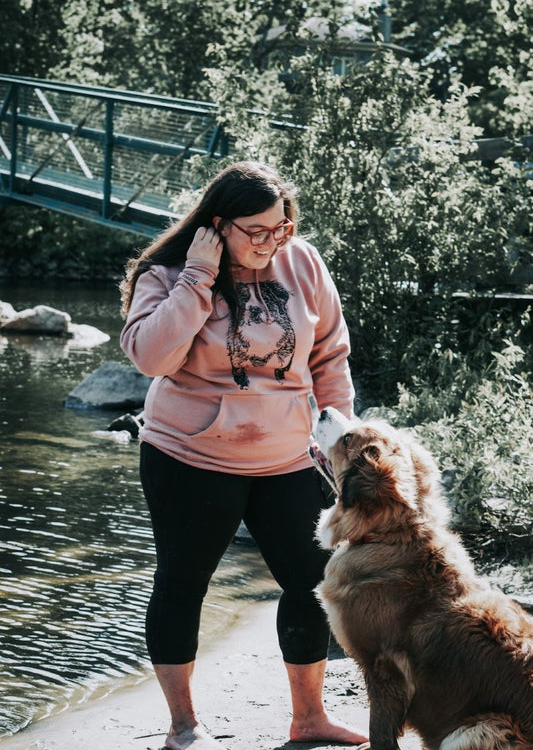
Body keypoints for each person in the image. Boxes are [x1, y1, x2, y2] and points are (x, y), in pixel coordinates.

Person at [120, 161, 368, 750]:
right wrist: (198, 277)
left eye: (279, 228)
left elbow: (330, 356)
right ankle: (184, 728)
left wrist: (340, 438)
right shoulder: (169, 272)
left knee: (311, 582)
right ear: (216, 224)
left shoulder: (302, 261)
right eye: (255, 230)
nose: (270, 241)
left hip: (288, 456)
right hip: (189, 456)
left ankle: (308, 719)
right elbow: (151, 358)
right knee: (183, 584)